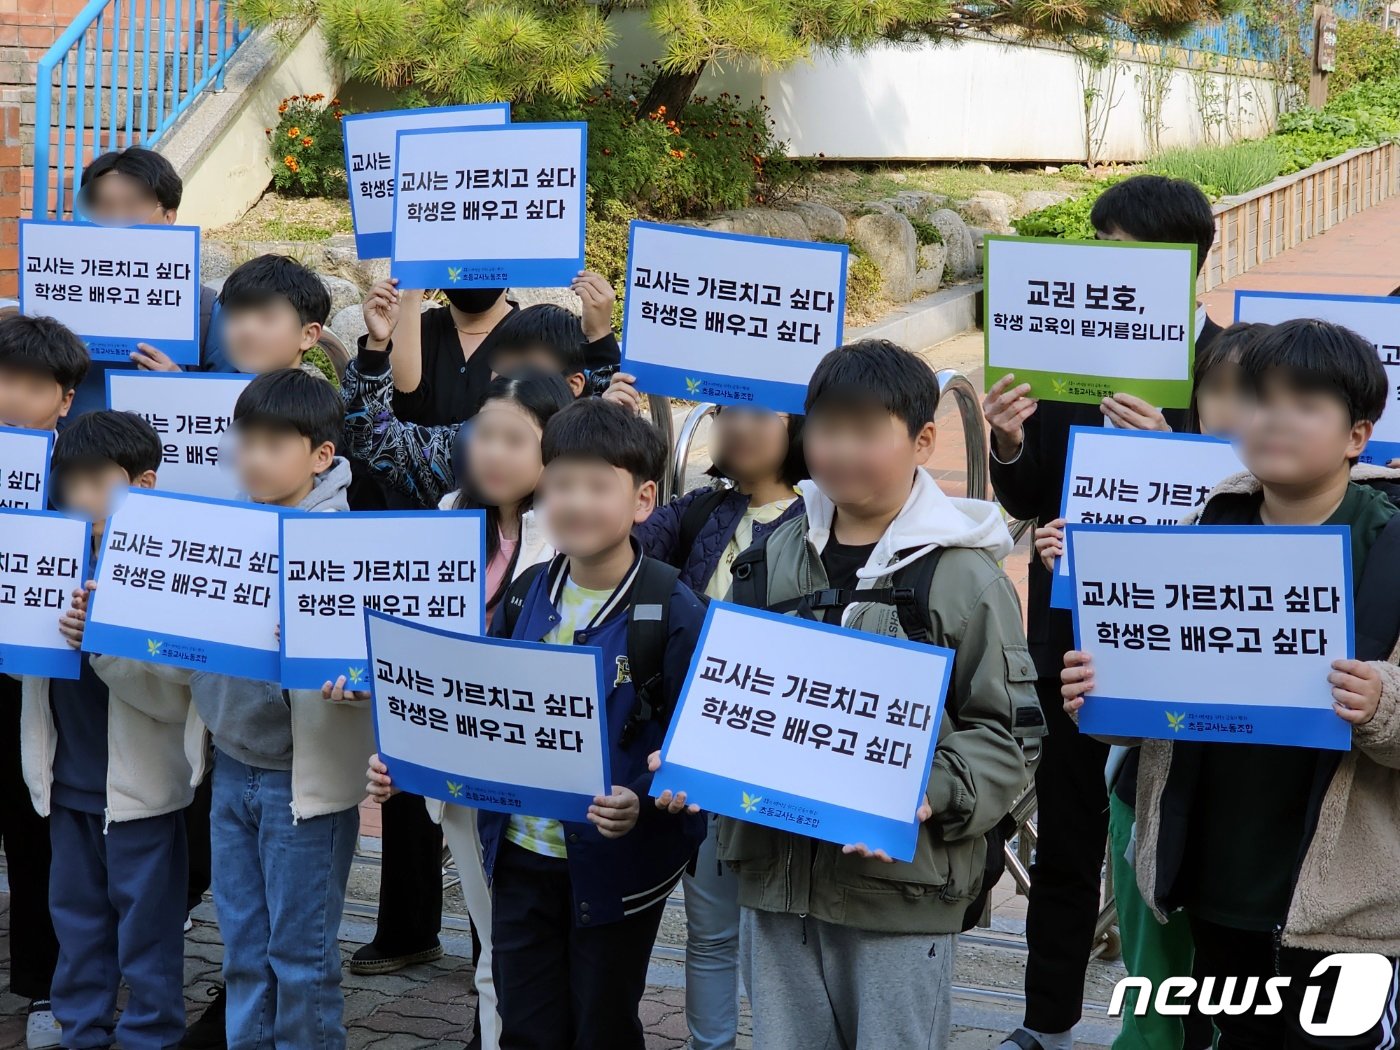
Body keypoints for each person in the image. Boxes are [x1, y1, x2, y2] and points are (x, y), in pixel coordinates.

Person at [651, 339, 1038, 1047]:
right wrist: (691, 755)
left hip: (899, 891)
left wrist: (937, 789)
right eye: (827, 428)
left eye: (867, 431)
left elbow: (1009, 735)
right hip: (775, 878)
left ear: (923, 440)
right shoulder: (773, 554)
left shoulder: (963, 576)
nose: (841, 450)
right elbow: (733, 685)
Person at [1061, 318, 1400, 1048]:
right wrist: (1104, 694)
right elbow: (1156, 708)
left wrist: (1383, 705)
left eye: (1306, 403)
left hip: (1347, 912)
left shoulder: (1391, 541)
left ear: (1357, 435)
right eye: (1261, 398)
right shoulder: (1205, 523)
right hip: (1214, 887)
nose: (1275, 417)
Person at [985, 174, 1223, 1050]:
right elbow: (1031, 492)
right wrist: (1009, 438)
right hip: (1072, 635)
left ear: (1187, 263)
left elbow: (1252, 507)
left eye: (1128, 257)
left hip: (1181, 642)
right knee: (1068, 833)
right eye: (1101, 252)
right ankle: (1045, 1021)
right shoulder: (1068, 355)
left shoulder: (1230, 365)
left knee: (1175, 839)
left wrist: (1178, 454)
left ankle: (1173, 1024)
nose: (1108, 276)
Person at [1033, 320, 1269, 1050]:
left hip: (1263, 801)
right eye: (1219, 391)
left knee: (1249, 994)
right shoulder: (1155, 483)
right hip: (1155, 783)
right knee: (1157, 988)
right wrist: (1073, 563)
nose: (1234, 410)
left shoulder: (1327, 517)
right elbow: (1131, 635)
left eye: (1258, 394)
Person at [147, 369, 374, 1049]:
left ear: (320, 456)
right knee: (244, 954)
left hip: (302, 787)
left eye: (275, 443)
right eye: (245, 441)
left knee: (300, 962)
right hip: (231, 767)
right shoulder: (224, 527)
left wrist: (345, 680)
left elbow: (373, 668)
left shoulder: (347, 548)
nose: (253, 458)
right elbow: (185, 654)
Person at [472, 397, 707, 1048]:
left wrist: (641, 797)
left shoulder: (671, 609)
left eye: (597, 485)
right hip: (521, 856)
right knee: (525, 1026)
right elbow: (485, 710)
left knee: (600, 1027)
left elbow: (696, 742)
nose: (575, 502)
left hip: (613, 874)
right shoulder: (526, 594)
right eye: (561, 484)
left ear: (643, 499)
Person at [364, 370, 575, 1050]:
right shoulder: (451, 512)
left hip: (542, 783)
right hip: (461, 774)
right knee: (490, 949)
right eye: (484, 434)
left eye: (516, 438)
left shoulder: (574, 533)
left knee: (538, 952)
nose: (493, 452)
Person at [606, 371, 805, 1050]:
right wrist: (610, 425)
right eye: (726, 410)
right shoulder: (698, 512)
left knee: (779, 936)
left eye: (762, 411)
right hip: (693, 750)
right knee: (712, 929)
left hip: (786, 752)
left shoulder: (830, 522)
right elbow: (613, 544)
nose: (740, 425)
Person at [26, 411, 193, 1049]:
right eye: (70, 482)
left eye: (98, 482)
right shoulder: (45, 555)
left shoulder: (168, 567)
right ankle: (82, 1031)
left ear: (143, 485)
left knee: (146, 926)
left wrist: (100, 642)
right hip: (67, 777)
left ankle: (151, 1034)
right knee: (76, 921)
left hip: (142, 789)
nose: (80, 497)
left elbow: (179, 688)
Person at [0, 314, 87, 1048]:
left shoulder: (78, 478)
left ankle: (44, 989)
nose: (11, 398)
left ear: (63, 401)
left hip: (40, 684)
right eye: (1, 380)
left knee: (37, 840)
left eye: (32, 387)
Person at [343, 303, 599, 510]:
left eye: (515, 440)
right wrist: (375, 350)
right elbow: (373, 440)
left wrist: (604, 344)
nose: (494, 455)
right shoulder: (458, 450)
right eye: (502, 363)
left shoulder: (592, 467)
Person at [71, 147, 233, 418]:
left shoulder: (206, 310)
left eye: (134, 205)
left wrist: (179, 383)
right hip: (68, 455)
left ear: (169, 217)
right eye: (105, 206)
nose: (118, 219)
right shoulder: (54, 295)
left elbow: (234, 411)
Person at [359, 273, 619, 428]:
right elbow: (379, 423)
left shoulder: (540, 339)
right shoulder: (410, 327)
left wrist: (600, 336)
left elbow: (599, 422)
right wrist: (410, 289)